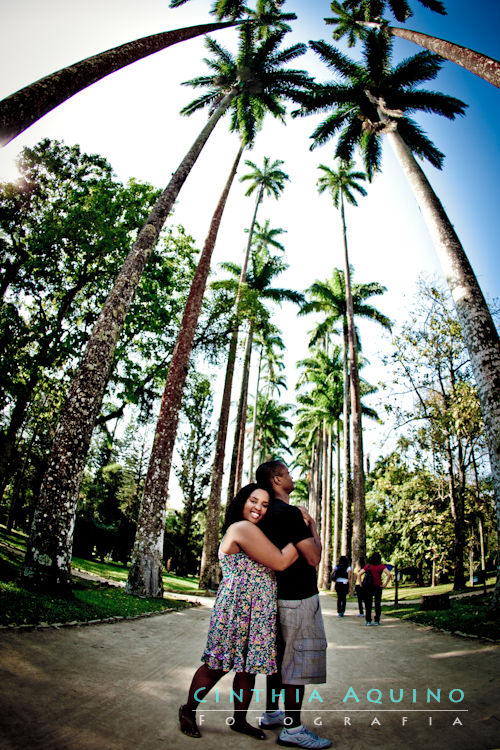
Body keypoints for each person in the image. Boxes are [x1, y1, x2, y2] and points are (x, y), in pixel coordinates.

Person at [179, 483, 299, 740]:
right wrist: (302, 532)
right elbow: (280, 561)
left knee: (248, 668)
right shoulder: (241, 528)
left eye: (265, 505)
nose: (259, 508)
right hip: (237, 608)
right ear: (242, 501)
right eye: (253, 501)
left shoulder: (254, 530)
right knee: (216, 665)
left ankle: (240, 720)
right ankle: (187, 710)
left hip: (258, 609)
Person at [255, 461, 331, 750]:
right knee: (296, 664)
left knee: (278, 662)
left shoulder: (266, 514)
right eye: (287, 472)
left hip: (275, 596)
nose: (291, 476)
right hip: (298, 597)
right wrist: (312, 526)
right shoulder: (289, 513)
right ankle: (293, 727)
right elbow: (313, 557)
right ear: (277, 479)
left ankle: (273, 712)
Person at [362, 551, 392, 626]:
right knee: (377, 604)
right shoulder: (381, 566)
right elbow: (389, 574)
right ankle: (377, 620)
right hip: (378, 587)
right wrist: (385, 584)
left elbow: (359, 574)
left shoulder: (368, 566)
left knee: (368, 605)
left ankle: (368, 621)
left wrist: (361, 584)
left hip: (368, 587)